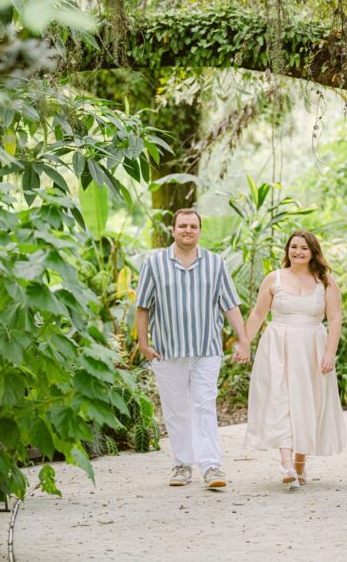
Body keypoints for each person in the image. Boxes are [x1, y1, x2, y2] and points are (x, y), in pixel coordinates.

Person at [135, 208, 251, 490]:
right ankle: (182, 465)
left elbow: (230, 305)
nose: (188, 230)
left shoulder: (215, 263)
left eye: (193, 226)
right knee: (176, 410)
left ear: (199, 231)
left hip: (205, 349)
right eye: (183, 226)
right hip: (166, 350)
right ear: (173, 230)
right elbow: (142, 306)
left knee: (203, 405)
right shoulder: (155, 264)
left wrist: (244, 339)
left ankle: (211, 466)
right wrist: (143, 344)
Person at [243, 229, 347, 488]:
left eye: (304, 248)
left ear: (313, 252)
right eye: (294, 247)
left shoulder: (326, 282)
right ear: (287, 250)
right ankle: (287, 463)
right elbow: (257, 315)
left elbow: (334, 318)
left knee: (308, 403)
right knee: (281, 400)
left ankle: (300, 463)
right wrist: (243, 343)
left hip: (313, 347)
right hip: (278, 346)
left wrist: (330, 353)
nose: (298, 251)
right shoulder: (274, 279)